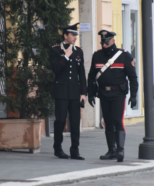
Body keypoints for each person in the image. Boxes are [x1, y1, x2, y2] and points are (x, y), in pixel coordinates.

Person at [87, 30, 138, 162]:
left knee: (117, 120)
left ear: (113, 41)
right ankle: (111, 150)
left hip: (118, 93)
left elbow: (133, 77)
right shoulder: (97, 56)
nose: (104, 45)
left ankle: (120, 149)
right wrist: (91, 93)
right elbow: (91, 76)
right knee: (107, 122)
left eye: (107, 42)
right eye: (102, 42)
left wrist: (134, 95)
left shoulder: (124, 56)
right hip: (103, 93)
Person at [50, 23, 87, 160]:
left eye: (76, 35)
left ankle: (75, 150)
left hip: (74, 92)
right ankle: (58, 148)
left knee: (75, 121)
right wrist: (65, 57)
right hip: (61, 92)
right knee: (60, 120)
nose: (75, 37)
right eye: (73, 35)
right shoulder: (55, 50)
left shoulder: (79, 51)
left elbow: (81, 73)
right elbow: (55, 69)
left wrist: (83, 92)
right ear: (65, 36)